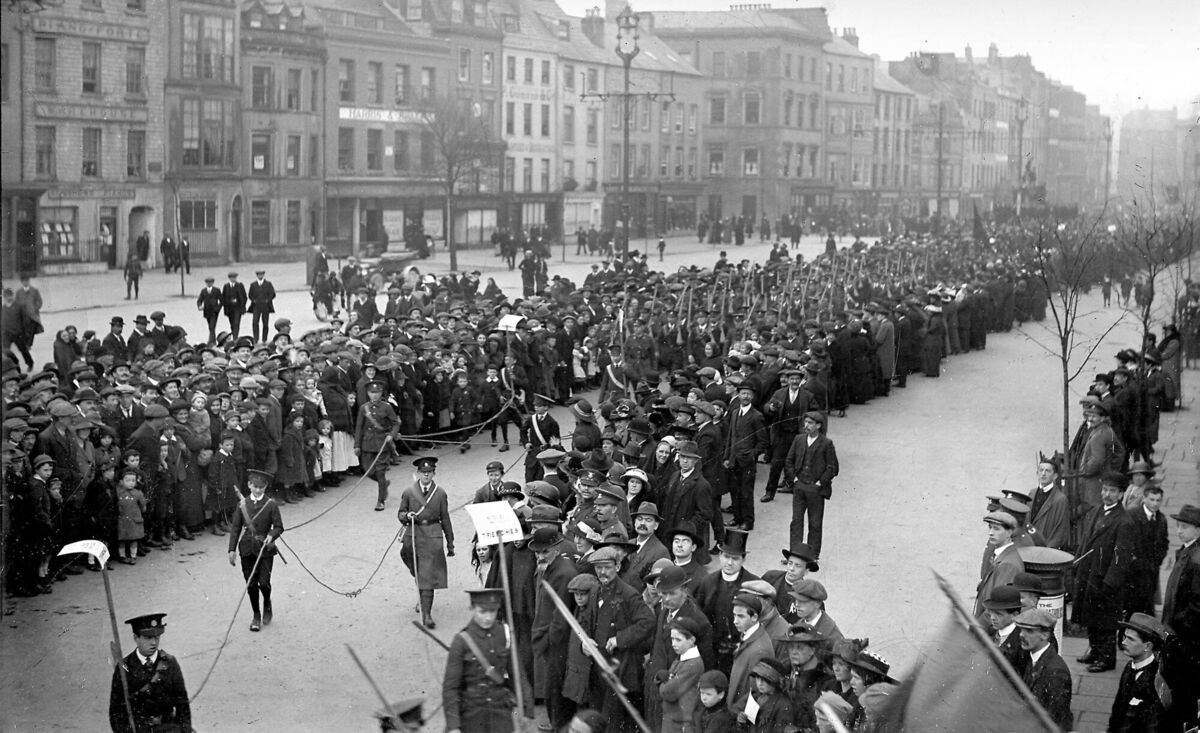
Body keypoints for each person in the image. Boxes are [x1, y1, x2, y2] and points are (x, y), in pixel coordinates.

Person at [1072, 471, 1135, 673]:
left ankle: (1107, 659)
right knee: (1091, 618)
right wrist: (1077, 563)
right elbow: (1086, 540)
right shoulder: (1099, 510)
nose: (1107, 494)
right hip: (1089, 575)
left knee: (1105, 622)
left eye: (1112, 491)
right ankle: (1095, 651)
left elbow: (1120, 559)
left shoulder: (1124, 522)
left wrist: (1109, 584)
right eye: (1105, 489)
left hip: (1105, 582)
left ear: (1121, 494)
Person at [442, 588, 529, 733]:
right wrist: (454, 726)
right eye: (482, 612)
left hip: (500, 710)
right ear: (472, 608)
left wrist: (526, 710)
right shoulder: (461, 640)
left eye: (492, 611)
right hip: (471, 712)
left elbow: (518, 675)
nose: (488, 617)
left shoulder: (505, 634)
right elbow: (451, 687)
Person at [108, 613, 192, 733]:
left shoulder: (170, 663)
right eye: (148, 638)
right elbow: (116, 712)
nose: (154, 643)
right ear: (136, 638)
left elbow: (182, 703)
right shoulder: (124, 667)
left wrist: (185, 730)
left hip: (169, 729)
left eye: (157, 637)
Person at [398, 456, 455, 629]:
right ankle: (418, 580)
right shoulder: (409, 492)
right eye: (423, 473)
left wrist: (450, 542)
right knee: (411, 563)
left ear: (434, 473)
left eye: (429, 472)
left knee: (428, 575)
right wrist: (407, 516)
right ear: (418, 473)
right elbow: (400, 513)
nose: (426, 476)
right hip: (412, 534)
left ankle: (427, 615)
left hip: (432, 534)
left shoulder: (440, 493)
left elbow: (445, 518)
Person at [227, 468, 284, 632]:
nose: (258, 490)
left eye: (262, 487)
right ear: (249, 485)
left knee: (264, 583)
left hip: (265, 549)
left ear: (265, 487)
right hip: (246, 549)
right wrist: (231, 550)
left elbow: (279, 526)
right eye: (255, 486)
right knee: (251, 585)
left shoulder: (271, 504)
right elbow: (236, 528)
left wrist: (272, 535)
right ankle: (256, 615)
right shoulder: (242, 505)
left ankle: (267, 603)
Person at [1161, 504, 1200, 731]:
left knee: (1184, 686)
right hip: (1176, 632)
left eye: (1184, 527)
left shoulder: (1196, 560)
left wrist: (1175, 627)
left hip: (1184, 637)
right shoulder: (1187, 551)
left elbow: (1196, 605)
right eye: (1178, 525)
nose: (1179, 530)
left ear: (1197, 530)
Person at [782, 411, 839, 557]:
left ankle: (812, 555)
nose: (806, 426)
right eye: (805, 422)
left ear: (818, 426)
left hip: (815, 489)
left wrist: (821, 482)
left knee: (815, 523)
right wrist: (793, 479)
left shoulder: (826, 443)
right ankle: (795, 553)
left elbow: (832, 467)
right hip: (799, 486)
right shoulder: (799, 439)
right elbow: (789, 460)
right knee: (796, 521)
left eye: (810, 423)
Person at [1108, 612, 1169, 733]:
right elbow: (1117, 710)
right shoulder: (1129, 667)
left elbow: (1153, 726)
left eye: (1130, 639)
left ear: (1147, 646)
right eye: (1125, 637)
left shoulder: (1156, 679)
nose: (1124, 642)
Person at [1014, 608, 1073, 731]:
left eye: (1029, 631)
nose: (1021, 635)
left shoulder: (1055, 671)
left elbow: (1057, 718)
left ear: (1045, 635)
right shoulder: (1032, 657)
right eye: (1021, 630)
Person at [356, 380, 399, 511]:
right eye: (372, 392)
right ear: (368, 393)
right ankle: (384, 484)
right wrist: (357, 445)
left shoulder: (387, 407)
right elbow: (359, 427)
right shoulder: (364, 408)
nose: (375, 395)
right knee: (368, 471)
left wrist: (392, 434)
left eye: (377, 392)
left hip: (382, 443)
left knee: (380, 472)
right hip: (367, 443)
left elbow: (395, 423)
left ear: (381, 393)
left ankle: (381, 500)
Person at [973, 511, 1024, 624]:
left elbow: (999, 606)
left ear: (1009, 532)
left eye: (996, 529)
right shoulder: (1002, 555)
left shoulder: (1008, 565)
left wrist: (977, 630)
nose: (991, 533)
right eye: (990, 528)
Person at [248, 269, 276, 342]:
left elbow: (273, 294)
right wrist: (254, 300)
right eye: (259, 275)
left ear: (263, 275)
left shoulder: (268, 284)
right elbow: (250, 295)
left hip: (265, 306)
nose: (260, 276)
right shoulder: (253, 284)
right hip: (256, 306)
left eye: (261, 275)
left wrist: (268, 300)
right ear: (257, 276)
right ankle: (256, 338)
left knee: (265, 323)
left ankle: (264, 339)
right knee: (255, 322)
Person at [196, 277, 224, 344]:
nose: (209, 284)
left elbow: (222, 300)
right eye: (208, 282)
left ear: (212, 283)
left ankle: (211, 341)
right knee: (210, 326)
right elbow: (199, 300)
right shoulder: (204, 291)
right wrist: (199, 306)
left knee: (212, 326)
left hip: (214, 312)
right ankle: (212, 339)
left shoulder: (216, 290)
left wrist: (218, 308)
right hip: (207, 311)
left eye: (210, 282)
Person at [222, 272, 248, 340]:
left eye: (234, 278)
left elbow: (244, 297)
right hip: (229, 308)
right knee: (232, 323)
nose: (233, 279)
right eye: (232, 278)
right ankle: (234, 334)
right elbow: (223, 298)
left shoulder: (240, 285)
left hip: (237, 308)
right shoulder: (226, 286)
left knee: (236, 323)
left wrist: (242, 305)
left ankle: (235, 338)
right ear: (229, 278)